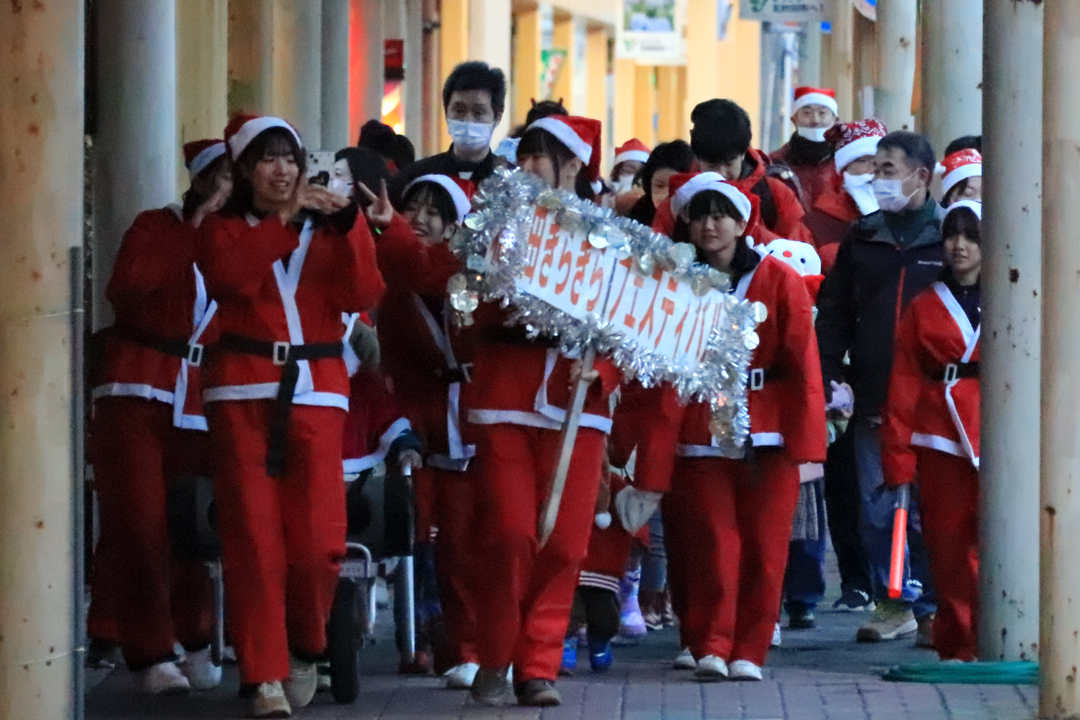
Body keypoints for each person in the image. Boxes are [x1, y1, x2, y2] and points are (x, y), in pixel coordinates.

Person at [198, 114, 386, 718]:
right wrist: (280, 222)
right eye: (267, 159)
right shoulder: (219, 230)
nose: (282, 171)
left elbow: (363, 293)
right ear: (245, 169)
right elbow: (229, 277)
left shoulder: (330, 230)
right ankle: (265, 675)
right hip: (241, 395)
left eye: (291, 159)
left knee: (317, 544)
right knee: (253, 542)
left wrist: (351, 220)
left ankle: (308, 644)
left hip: (318, 394)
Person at [615, 177, 826, 681]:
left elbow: (803, 363)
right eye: (701, 216)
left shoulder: (779, 279)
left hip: (768, 430)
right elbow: (653, 363)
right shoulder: (675, 281)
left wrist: (807, 439)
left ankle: (750, 649)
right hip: (698, 427)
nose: (711, 225)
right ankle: (712, 642)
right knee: (713, 542)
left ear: (742, 221)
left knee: (767, 547)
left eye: (721, 215)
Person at [460, 115, 622, 707]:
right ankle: (494, 651)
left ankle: (539, 665)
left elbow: (631, 326)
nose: (527, 168)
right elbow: (468, 309)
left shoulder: (610, 238)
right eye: (522, 156)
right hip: (506, 397)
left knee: (565, 545)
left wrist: (602, 372)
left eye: (541, 157)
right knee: (509, 533)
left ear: (574, 166)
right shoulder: (495, 226)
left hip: (579, 407)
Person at [88, 139, 230, 695]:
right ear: (196, 179)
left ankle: (194, 637)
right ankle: (148, 652)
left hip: (199, 402)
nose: (224, 188)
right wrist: (193, 226)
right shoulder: (155, 226)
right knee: (140, 526)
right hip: (136, 389)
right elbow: (124, 289)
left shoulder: (237, 238)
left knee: (193, 527)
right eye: (216, 177)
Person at [815, 130, 944, 647]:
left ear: (922, 175)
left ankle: (932, 606)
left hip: (934, 403)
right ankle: (892, 603)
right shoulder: (863, 238)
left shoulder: (949, 237)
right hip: (872, 397)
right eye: (876, 169)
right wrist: (827, 372)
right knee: (876, 509)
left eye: (889, 169)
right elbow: (835, 314)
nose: (879, 180)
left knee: (929, 510)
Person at [371, 173, 484, 689]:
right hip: (424, 418)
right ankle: (429, 644)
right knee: (421, 539)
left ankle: (474, 646)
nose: (419, 218)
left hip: (476, 418)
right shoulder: (395, 288)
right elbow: (394, 362)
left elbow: (429, 273)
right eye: (411, 207)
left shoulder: (472, 272)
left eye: (432, 211)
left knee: (471, 543)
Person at [881, 201, 982, 662]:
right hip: (940, 435)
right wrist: (897, 456)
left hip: (1006, 435)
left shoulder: (1021, 296)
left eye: (970, 236)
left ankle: (1001, 632)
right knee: (948, 544)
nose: (958, 245)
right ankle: (958, 640)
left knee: (1004, 540)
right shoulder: (924, 303)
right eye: (951, 235)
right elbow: (903, 381)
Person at [651, 99, 813, 243]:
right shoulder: (679, 198)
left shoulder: (774, 194)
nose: (721, 173)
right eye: (711, 164)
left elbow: (799, 258)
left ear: (744, 153)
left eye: (729, 163)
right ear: (697, 156)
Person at [561, 468, 645, 675]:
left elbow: (632, 514)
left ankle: (599, 644)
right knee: (570, 614)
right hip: (572, 565)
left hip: (603, 567)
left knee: (605, 618)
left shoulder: (614, 482)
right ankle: (565, 645)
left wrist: (637, 543)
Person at [389, 61, 508, 198]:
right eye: (459, 110)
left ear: (497, 118)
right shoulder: (418, 176)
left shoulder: (509, 182)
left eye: (478, 112)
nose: (467, 120)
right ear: (446, 113)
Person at [803, 119, 888, 273]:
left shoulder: (906, 215)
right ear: (844, 170)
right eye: (862, 161)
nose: (872, 170)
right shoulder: (815, 225)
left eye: (879, 161)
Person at [770, 87, 841, 211]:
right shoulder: (776, 164)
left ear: (836, 121)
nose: (815, 120)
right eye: (807, 113)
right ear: (794, 119)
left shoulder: (846, 164)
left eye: (822, 113)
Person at [625, 140, 695, 227]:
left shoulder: (699, 220)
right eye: (659, 186)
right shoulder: (640, 214)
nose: (665, 194)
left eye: (674, 186)